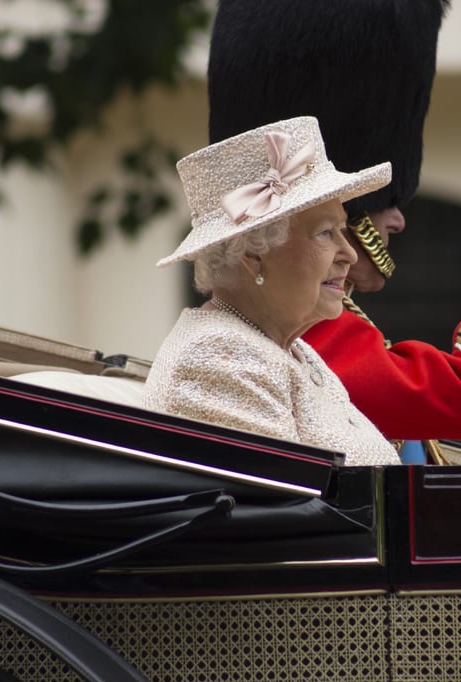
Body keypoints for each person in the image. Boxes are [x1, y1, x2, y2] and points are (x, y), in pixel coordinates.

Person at [208, 0, 461, 459]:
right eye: (329, 228)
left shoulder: (304, 325)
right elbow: (456, 393)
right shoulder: (300, 331)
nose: (399, 218)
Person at [143, 116, 401, 466]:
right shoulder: (222, 358)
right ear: (253, 254)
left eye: (344, 230)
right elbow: (295, 514)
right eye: (326, 233)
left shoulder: (291, 350)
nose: (350, 254)